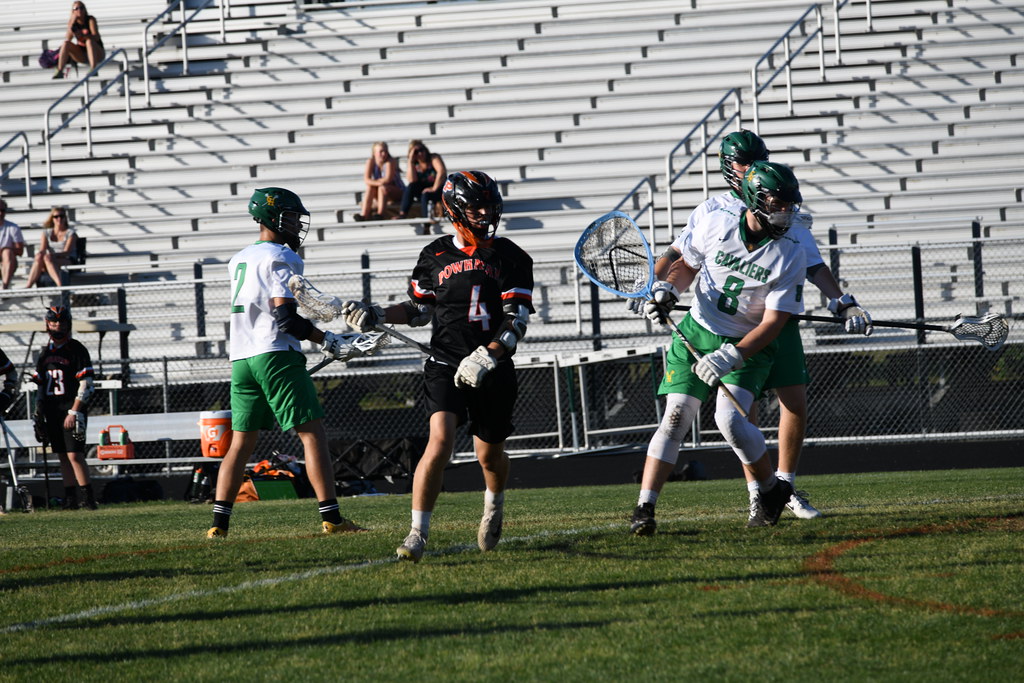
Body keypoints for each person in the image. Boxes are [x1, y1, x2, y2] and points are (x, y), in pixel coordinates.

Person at [663, 130, 873, 526]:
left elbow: (813, 263)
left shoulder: (781, 203)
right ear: (730, 168)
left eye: (757, 159)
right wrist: (653, 287)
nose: (750, 168)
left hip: (776, 321)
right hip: (729, 323)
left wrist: (841, 301)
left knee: (793, 400)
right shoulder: (715, 209)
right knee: (743, 412)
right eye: (744, 162)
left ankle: (786, 485)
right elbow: (678, 257)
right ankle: (759, 494)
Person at [342, 171, 534, 563]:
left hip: (491, 366)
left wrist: (489, 355)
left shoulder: (512, 256)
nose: (485, 212)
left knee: (488, 456)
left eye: (488, 203)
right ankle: (417, 532)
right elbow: (418, 310)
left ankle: (493, 505)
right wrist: (378, 313)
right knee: (440, 441)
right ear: (455, 209)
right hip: (445, 362)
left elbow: (517, 320)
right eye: (476, 206)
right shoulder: (434, 255)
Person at [629, 160, 807, 536]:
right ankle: (645, 507)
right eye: (778, 203)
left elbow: (774, 322)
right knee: (676, 418)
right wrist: (667, 290)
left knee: (729, 421)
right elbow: (687, 265)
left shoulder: (791, 251)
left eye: (791, 204)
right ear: (754, 199)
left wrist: (733, 354)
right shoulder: (716, 222)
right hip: (699, 329)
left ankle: (770, 491)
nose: (786, 211)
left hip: (748, 344)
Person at [207, 187, 370, 538]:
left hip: (241, 357)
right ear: (273, 218)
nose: (296, 225)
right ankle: (332, 518)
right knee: (312, 435)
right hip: (274, 353)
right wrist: (327, 339)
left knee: (240, 442)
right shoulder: (281, 255)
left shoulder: (239, 258)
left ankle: (218, 525)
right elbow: (285, 318)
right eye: (291, 218)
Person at [31, 305, 97, 510]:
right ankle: (70, 498)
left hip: (71, 407)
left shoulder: (76, 349)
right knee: (61, 454)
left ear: (68, 324)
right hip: (52, 409)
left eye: (61, 322)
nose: (57, 326)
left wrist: (74, 410)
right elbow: (41, 386)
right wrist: (39, 412)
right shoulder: (43, 353)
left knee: (74, 454)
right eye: (53, 322)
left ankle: (88, 498)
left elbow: (86, 384)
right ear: (47, 324)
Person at [395, 140, 447, 234]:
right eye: (416, 152)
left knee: (426, 194)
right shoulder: (415, 164)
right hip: (423, 190)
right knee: (411, 187)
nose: (420, 153)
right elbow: (412, 180)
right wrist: (410, 161)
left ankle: (426, 225)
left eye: (421, 150)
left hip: (437, 189)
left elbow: (442, 172)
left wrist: (434, 188)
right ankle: (403, 213)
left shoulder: (433, 157)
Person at [24, 206, 79, 289]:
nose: (59, 219)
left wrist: (53, 255)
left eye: (61, 216)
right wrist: (40, 254)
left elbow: (67, 252)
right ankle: (28, 286)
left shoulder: (70, 233)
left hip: (67, 259)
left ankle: (60, 285)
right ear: (52, 219)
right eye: (56, 217)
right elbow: (42, 249)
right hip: (51, 260)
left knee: (47, 258)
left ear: (65, 218)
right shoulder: (46, 233)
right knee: (40, 257)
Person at [353, 141, 404, 222]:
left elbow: (388, 180)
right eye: (381, 152)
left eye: (385, 151)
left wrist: (375, 182)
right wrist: (378, 182)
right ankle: (364, 215)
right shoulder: (370, 162)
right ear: (374, 153)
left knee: (382, 188)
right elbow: (366, 180)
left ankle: (380, 214)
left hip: (397, 191)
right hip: (383, 191)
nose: (383, 154)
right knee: (370, 187)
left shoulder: (390, 162)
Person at [53, 2, 105, 79]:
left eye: (81, 8)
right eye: (76, 9)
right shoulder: (73, 23)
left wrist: (85, 36)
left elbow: (96, 36)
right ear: (73, 11)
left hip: (97, 53)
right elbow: (68, 38)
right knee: (65, 43)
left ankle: (94, 69)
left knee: (89, 41)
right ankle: (60, 70)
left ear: (85, 9)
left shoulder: (90, 20)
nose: (79, 10)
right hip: (82, 54)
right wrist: (72, 23)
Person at [0, 198, 26, 289]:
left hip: (9, 261)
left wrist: (4, 250)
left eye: (2, 210)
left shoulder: (13, 228)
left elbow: (20, 251)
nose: (0, 213)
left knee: (6, 252)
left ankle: (5, 287)